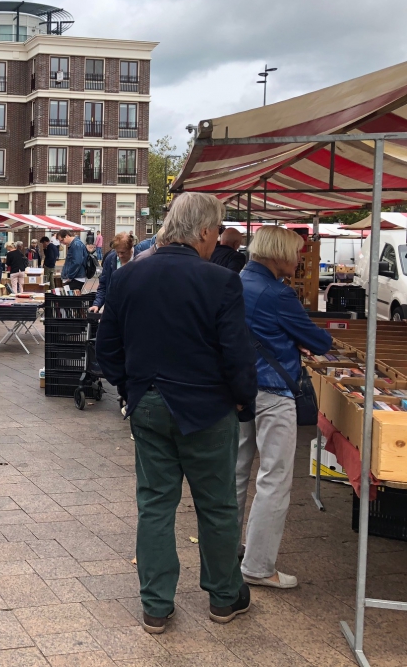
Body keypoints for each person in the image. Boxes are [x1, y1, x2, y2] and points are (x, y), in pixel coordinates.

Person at [95, 193, 258, 635]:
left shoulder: (128, 276)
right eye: (216, 231)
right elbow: (237, 355)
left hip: (149, 400)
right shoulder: (221, 280)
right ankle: (224, 597)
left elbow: (106, 349)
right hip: (207, 407)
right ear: (204, 231)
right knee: (218, 506)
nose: (216, 240)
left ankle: (156, 605)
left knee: (154, 505)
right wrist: (245, 399)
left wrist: (130, 388)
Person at [236, 226, 332, 589]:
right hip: (274, 391)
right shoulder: (277, 293)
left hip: (238, 388)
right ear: (278, 253)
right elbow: (318, 341)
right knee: (274, 478)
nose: (300, 258)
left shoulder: (236, 281)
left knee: (237, 472)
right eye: (296, 252)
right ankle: (259, 567)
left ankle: (230, 549)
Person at [89, 232, 133, 312]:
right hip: (113, 307)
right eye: (117, 252)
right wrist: (97, 304)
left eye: (122, 252)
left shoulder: (141, 259)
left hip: (132, 308)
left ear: (130, 248)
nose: (119, 255)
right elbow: (103, 284)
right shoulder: (110, 259)